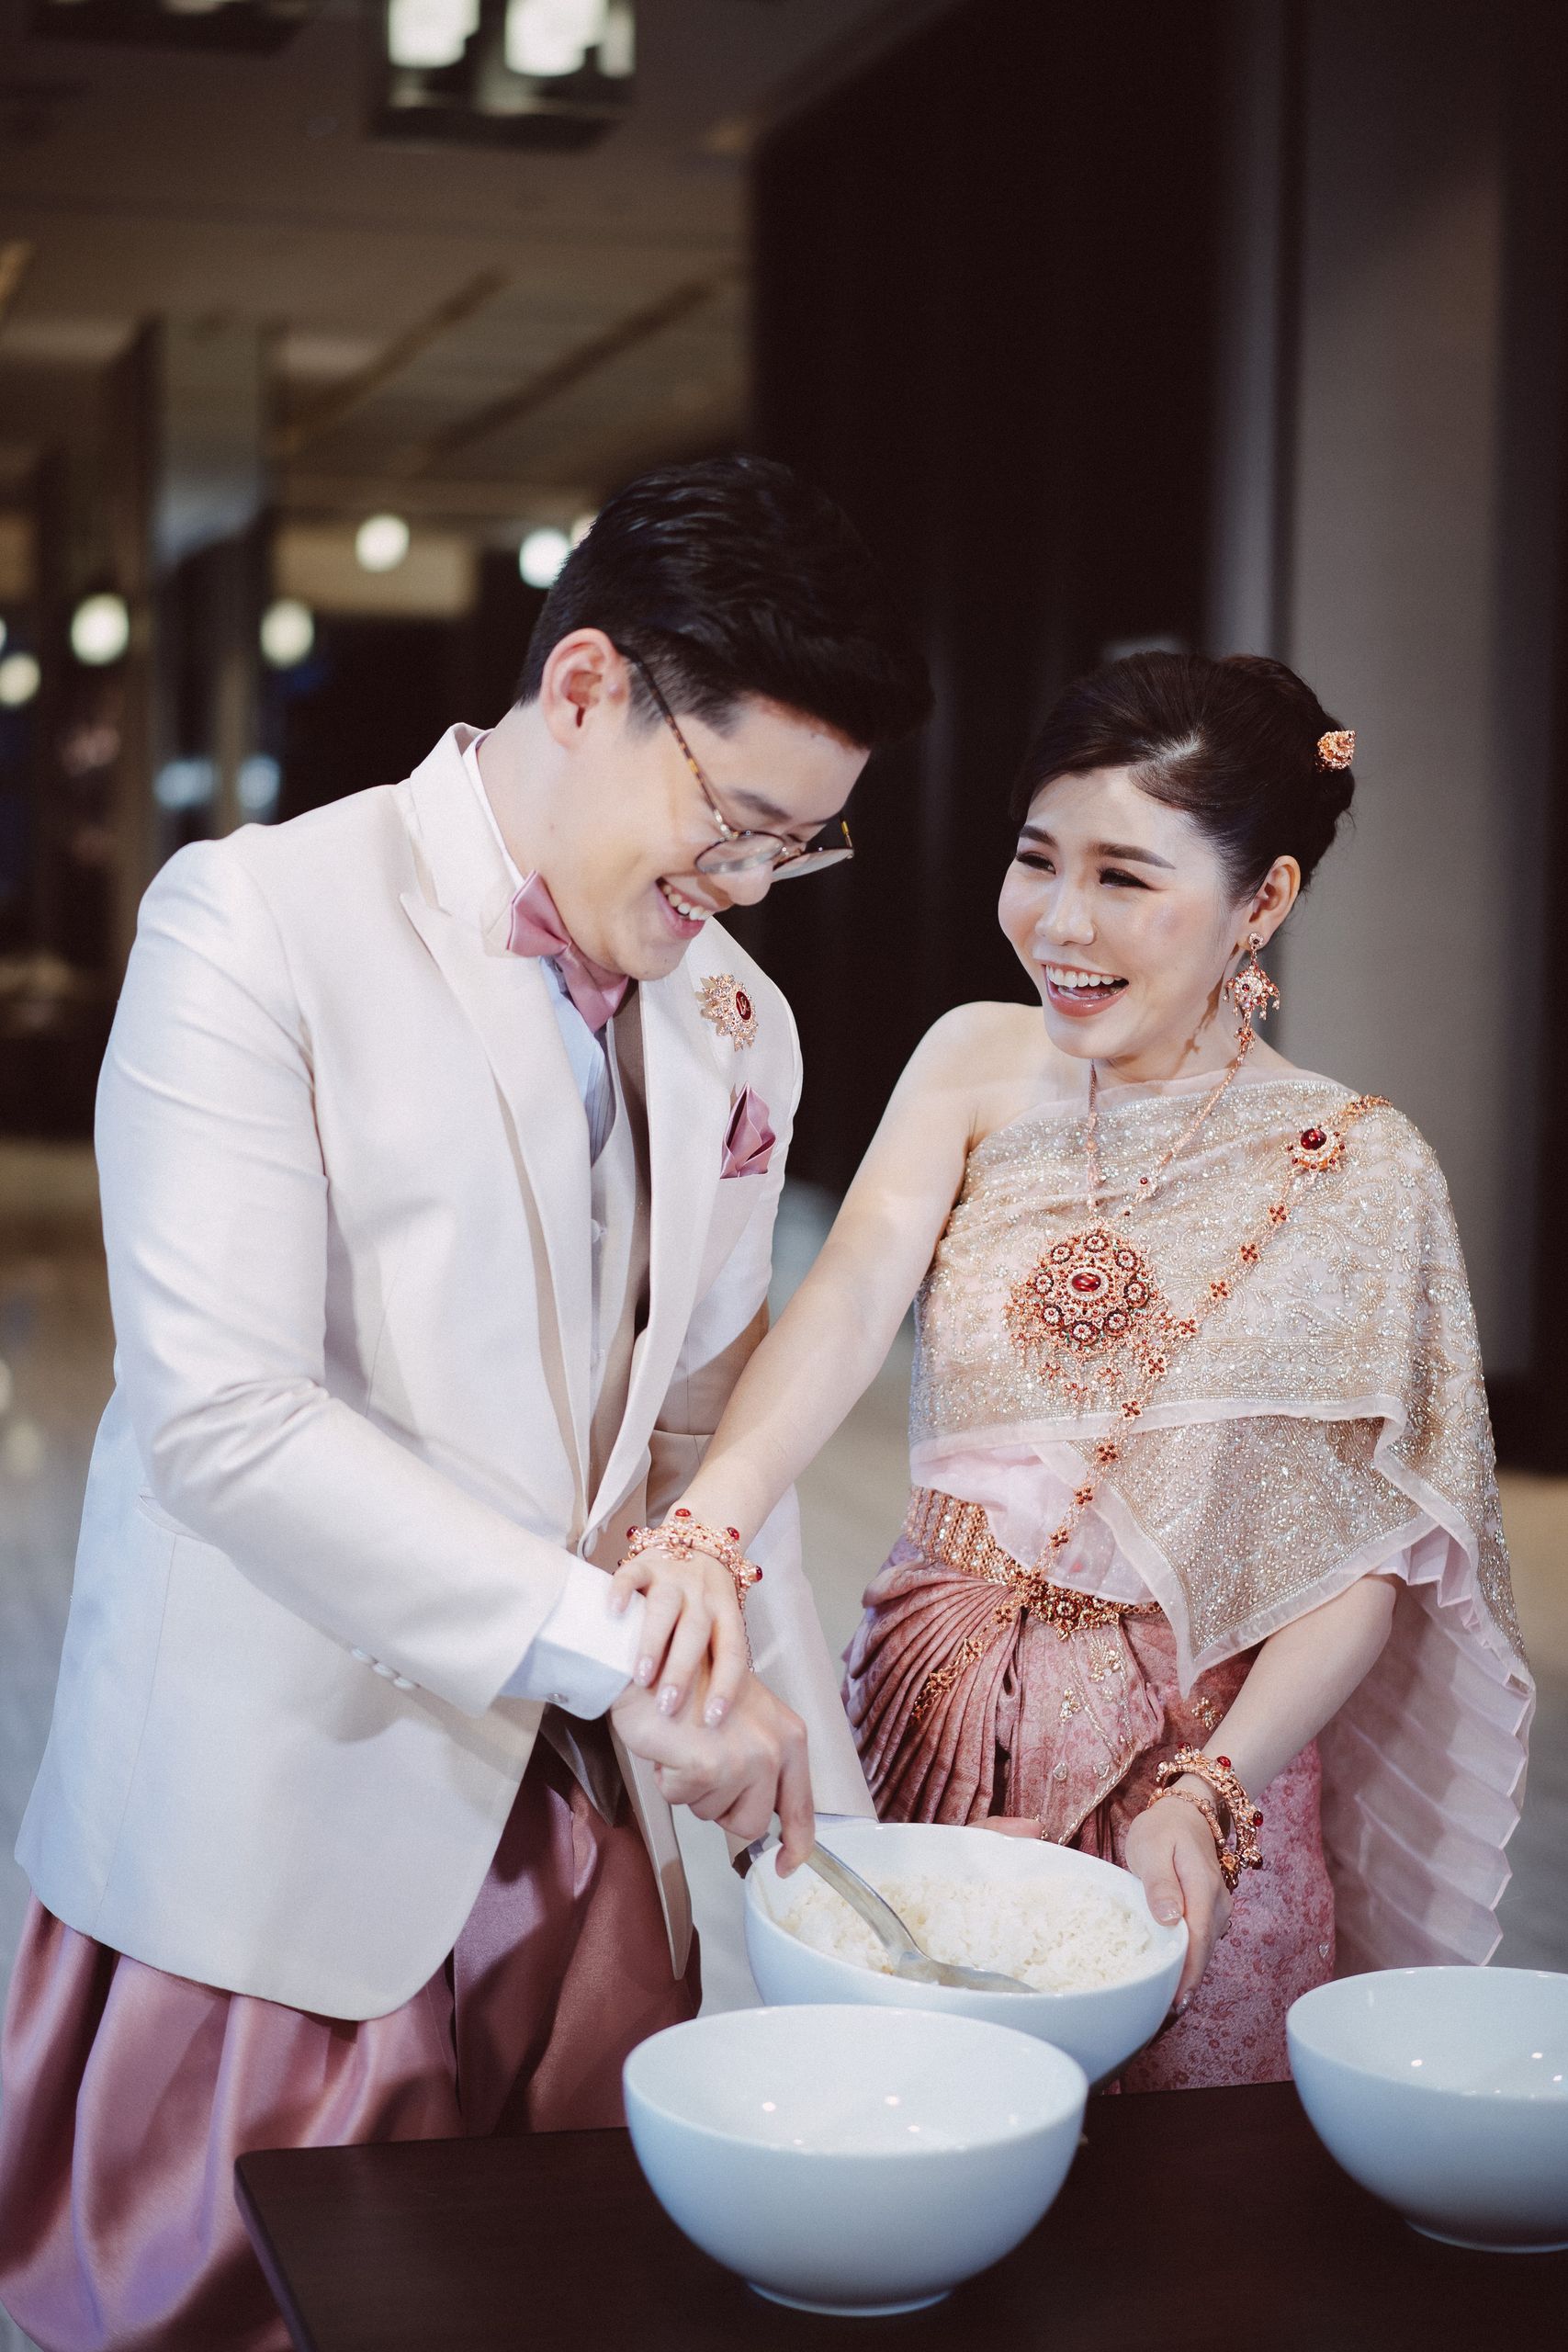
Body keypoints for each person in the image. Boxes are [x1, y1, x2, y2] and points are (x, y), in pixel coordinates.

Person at [0, 455, 931, 2350]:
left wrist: (824, 1830)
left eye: (799, 847)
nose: (747, 888)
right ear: (584, 686)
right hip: (285, 1809)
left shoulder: (738, 1019)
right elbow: (223, 1420)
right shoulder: (255, 920)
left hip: (584, 1843)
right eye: (735, 824)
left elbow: (704, 1447)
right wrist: (617, 1653)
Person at [633, 650, 1534, 2090]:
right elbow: (851, 1297)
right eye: (1037, 858)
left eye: (1124, 877)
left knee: (1180, 2163)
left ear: (1263, 900)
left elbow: (1365, 1563)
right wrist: (706, 1527)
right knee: (905, 2102)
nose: (1060, 922)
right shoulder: (974, 1061)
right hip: (930, 1700)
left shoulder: (1360, 1169)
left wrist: (1216, 1790)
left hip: (1193, 1756)